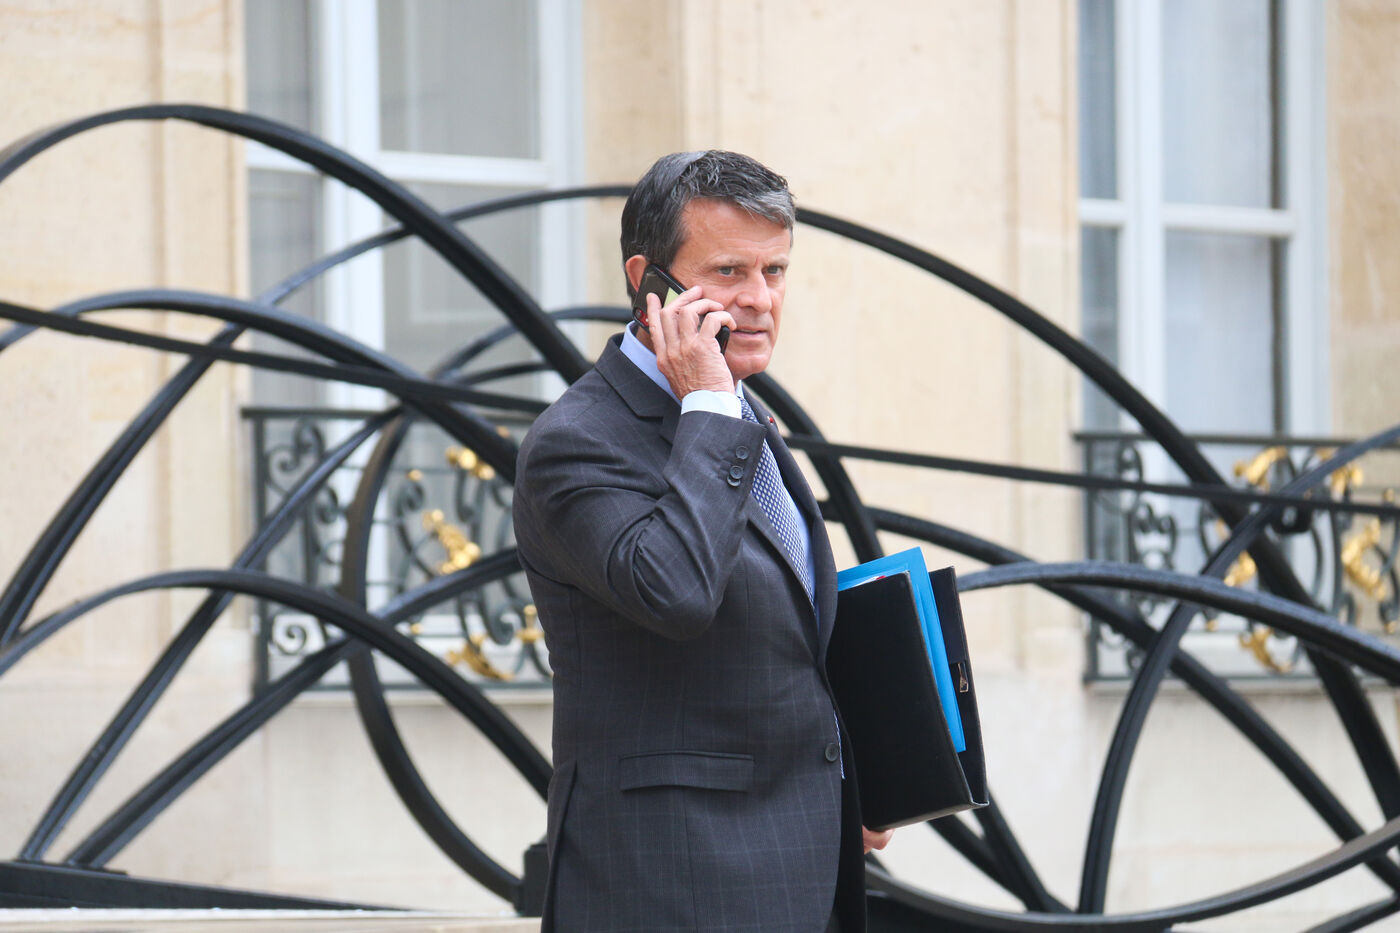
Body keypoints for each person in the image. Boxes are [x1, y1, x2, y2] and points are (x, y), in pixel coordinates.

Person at [513, 150, 889, 933]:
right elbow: (677, 592)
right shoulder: (578, 440)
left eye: (775, 271)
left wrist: (858, 777)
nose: (760, 299)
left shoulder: (741, 416)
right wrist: (710, 406)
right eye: (728, 272)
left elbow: (779, 637)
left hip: (803, 865)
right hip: (670, 886)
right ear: (648, 282)